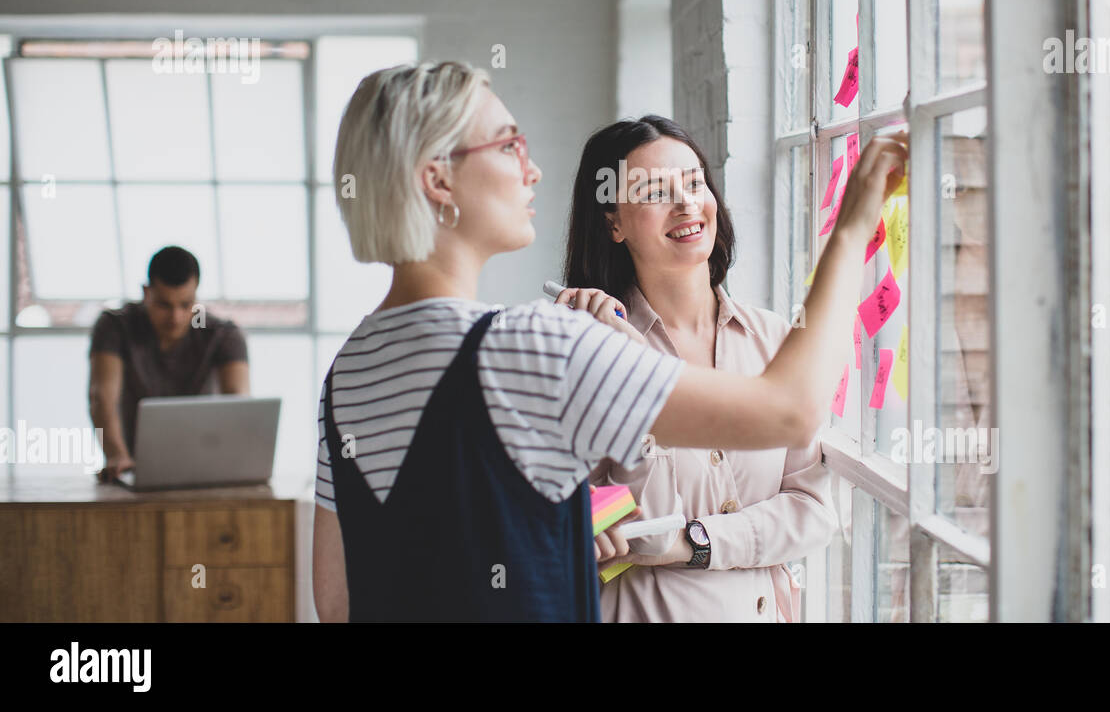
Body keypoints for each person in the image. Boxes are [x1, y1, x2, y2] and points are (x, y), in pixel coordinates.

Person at [312, 60, 906, 622]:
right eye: (508, 144)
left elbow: (339, 601)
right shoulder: (530, 343)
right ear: (437, 179)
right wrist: (853, 223)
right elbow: (791, 412)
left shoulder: (349, 370)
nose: (532, 168)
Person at [558, 116, 836, 622]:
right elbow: (624, 537)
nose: (686, 203)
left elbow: (813, 512)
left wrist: (697, 542)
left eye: (693, 182)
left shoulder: (774, 340)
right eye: (653, 192)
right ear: (613, 224)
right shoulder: (585, 352)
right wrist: (633, 369)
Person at [89, 245, 250, 481]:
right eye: (164, 305)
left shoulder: (221, 333)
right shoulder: (116, 326)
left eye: (186, 305)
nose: (176, 317)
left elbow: (238, 401)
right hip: (133, 467)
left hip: (207, 469)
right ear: (146, 292)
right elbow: (101, 397)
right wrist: (116, 455)